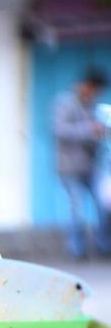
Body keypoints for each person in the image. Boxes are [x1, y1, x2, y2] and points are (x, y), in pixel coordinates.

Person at [53, 66, 111, 259]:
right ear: (88, 85)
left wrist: (101, 133)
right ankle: (77, 251)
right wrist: (88, 129)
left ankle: (105, 247)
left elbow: (97, 136)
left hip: (92, 167)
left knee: (105, 204)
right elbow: (59, 131)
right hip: (69, 168)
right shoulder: (65, 103)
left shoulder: (94, 106)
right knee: (76, 210)